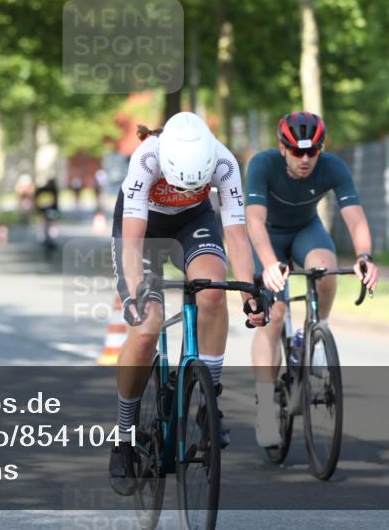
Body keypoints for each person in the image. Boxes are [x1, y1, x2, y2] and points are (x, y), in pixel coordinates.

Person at [108, 111, 261, 496]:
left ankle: (209, 399)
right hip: (144, 230)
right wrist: (136, 293)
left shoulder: (224, 162)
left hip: (194, 223)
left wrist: (249, 294)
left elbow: (237, 235)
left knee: (212, 292)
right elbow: (132, 240)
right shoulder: (146, 158)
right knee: (147, 328)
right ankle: (124, 437)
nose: (183, 189)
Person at [244, 111, 380, 447]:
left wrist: (364, 257)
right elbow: (254, 221)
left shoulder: (333, 167)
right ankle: (265, 408)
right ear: (282, 148)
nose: (305, 159)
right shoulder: (262, 165)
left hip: (306, 230)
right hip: (268, 238)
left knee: (325, 268)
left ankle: (315, 332)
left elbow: (355, 218)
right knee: (273, 317)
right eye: (296, 151)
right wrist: (270, 264)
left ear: (321, 148)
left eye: (312, 151)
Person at [34, 178, 60, 253]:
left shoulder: (42, 190)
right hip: (51, 210)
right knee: (52, 224)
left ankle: (45, 238)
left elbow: (37, 196)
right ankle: (51, 239)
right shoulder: (53, 190)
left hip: (43, 209)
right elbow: (56, 202)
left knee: (45, 223)